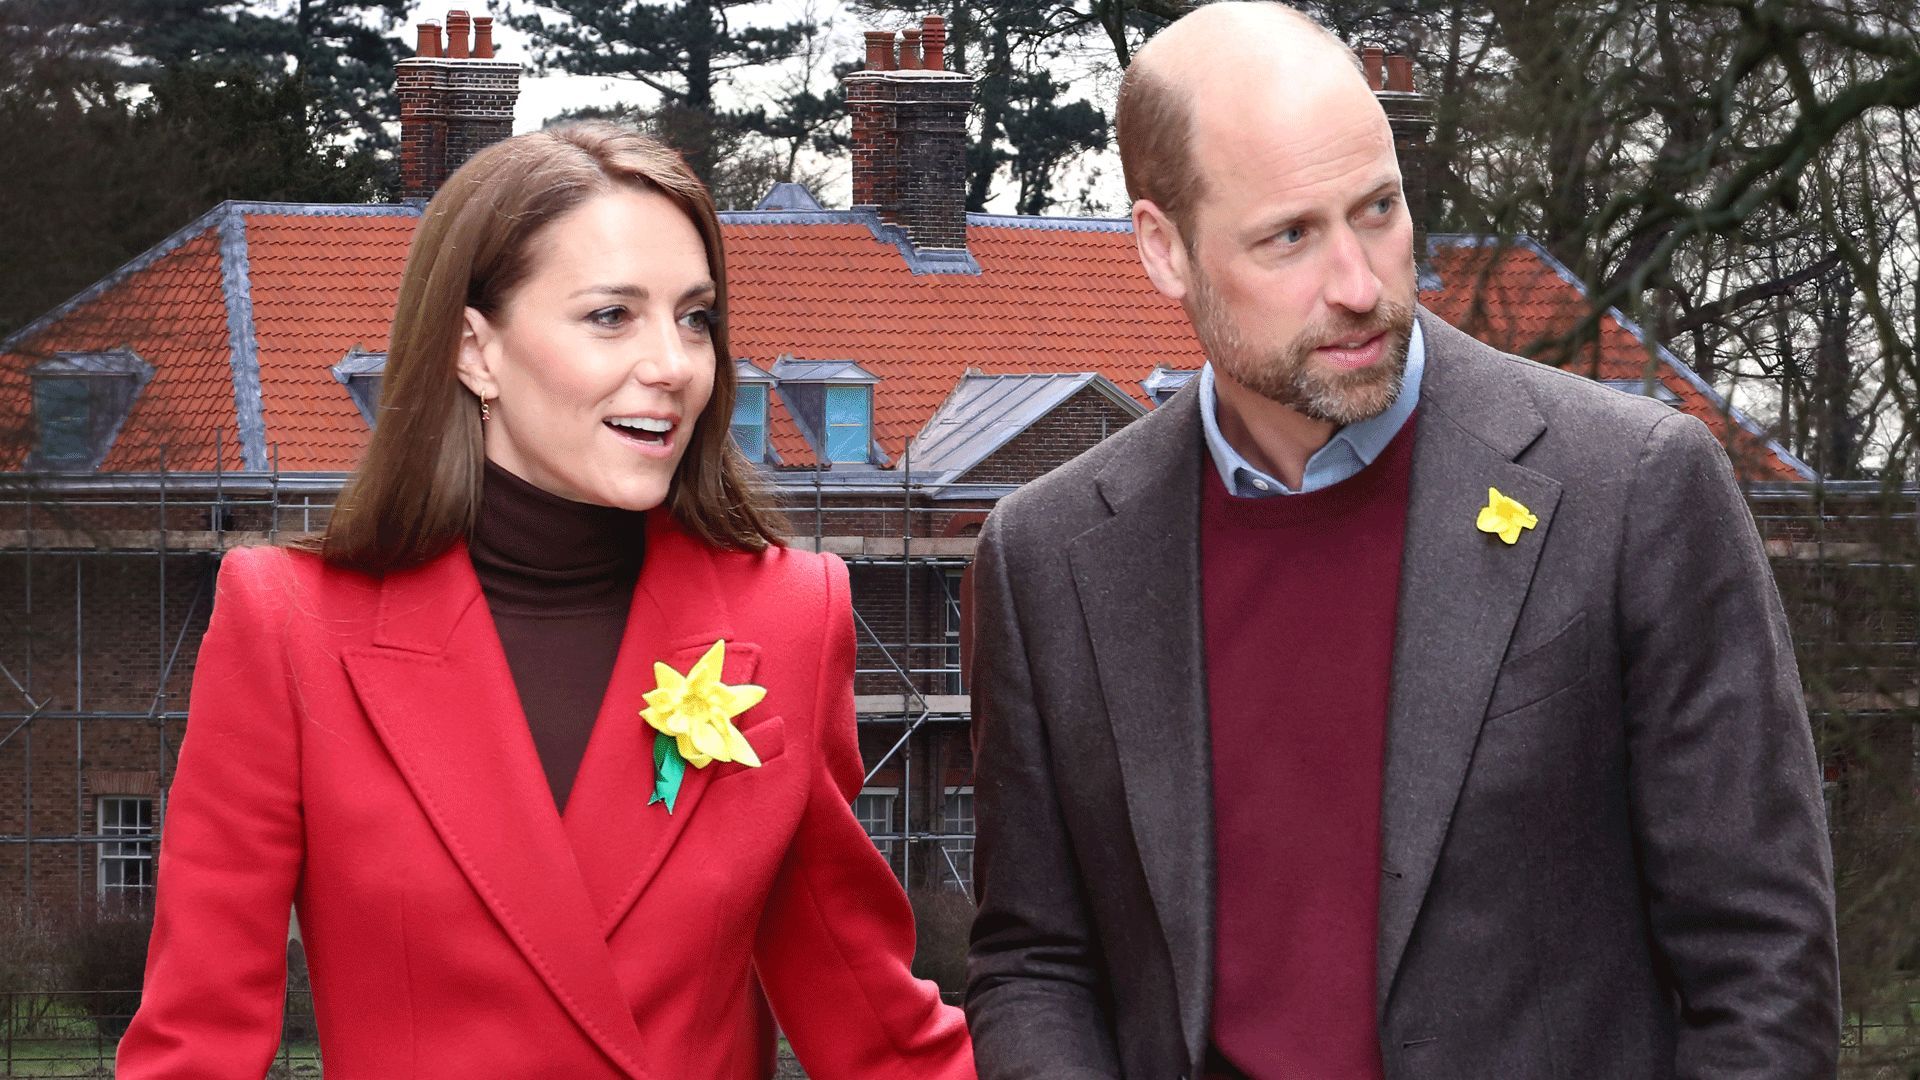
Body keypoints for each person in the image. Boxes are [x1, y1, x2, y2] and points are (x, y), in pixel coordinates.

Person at [963, 5, 1839, 1079]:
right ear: (1164, 249)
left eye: (1378, 211)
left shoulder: (1635, 492)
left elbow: (1763, 969)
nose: (1361, 285)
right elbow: (1034, 963)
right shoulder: (1046, 557)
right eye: (1290, 236)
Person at [117, 122, 974, 1080]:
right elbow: (197, 1043)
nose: (675, 364)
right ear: (474, 350)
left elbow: (873, 1023)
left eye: (695, 317)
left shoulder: (792, 616)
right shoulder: (286, 622)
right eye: (612, 315)